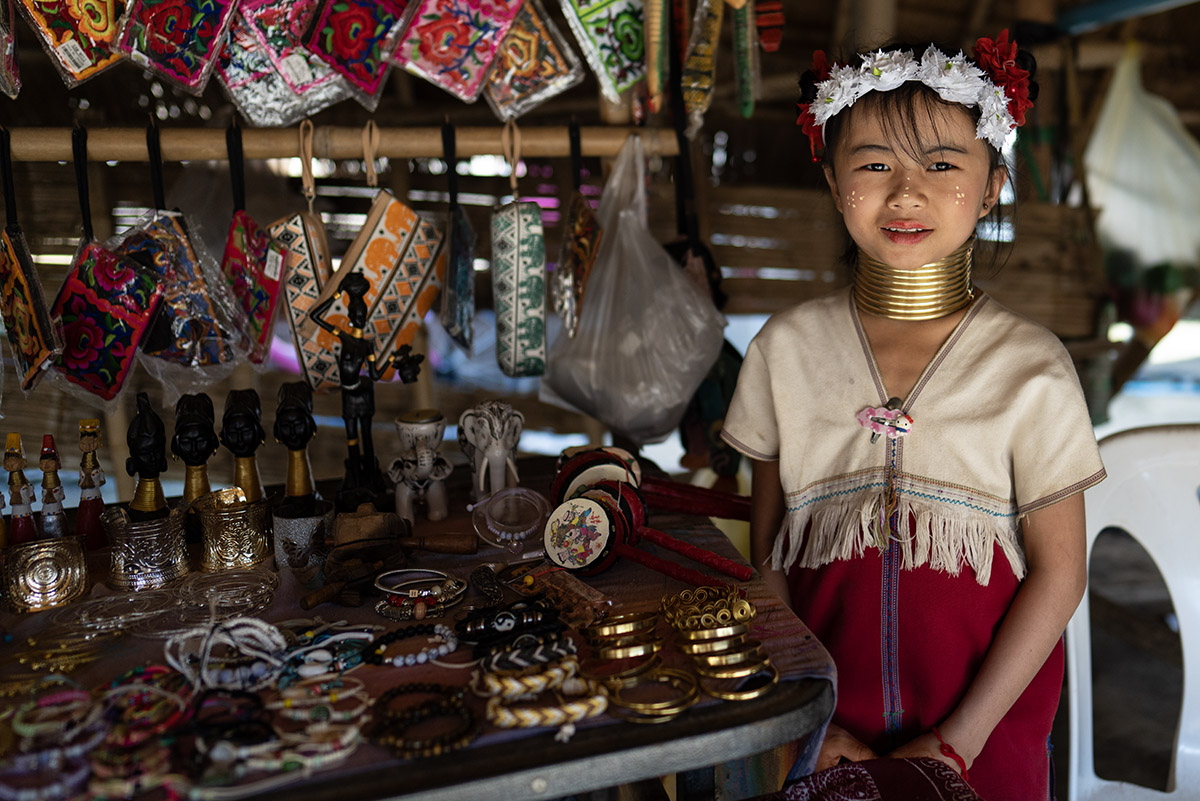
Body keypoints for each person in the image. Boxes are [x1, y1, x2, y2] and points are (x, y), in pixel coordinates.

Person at [720, 32, 1105, 800]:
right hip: (822, 737)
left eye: (941, 164)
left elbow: (1060, 574)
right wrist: (808, 715)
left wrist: (954, 745)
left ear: (993, 184)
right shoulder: (785, 351)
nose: (905, 192)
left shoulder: (1031, 368)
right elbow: (765, 556)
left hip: (984, 744)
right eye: (872, 164)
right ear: (833, 183)